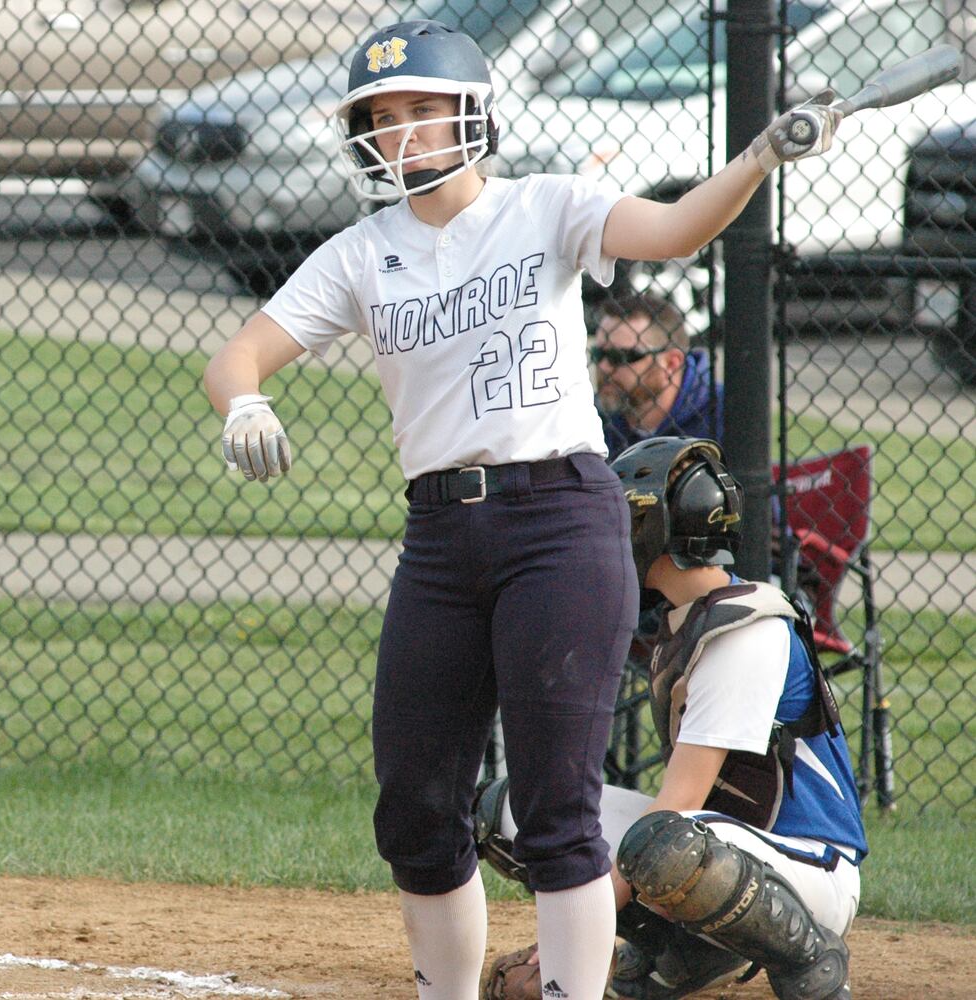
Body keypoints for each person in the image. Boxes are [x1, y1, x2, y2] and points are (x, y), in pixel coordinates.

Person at [204, 16, 842, 1000]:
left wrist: (759, 156)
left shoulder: (542, 207)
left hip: (561, 516)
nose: (404, 133)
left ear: (473, 117)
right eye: (383, 117)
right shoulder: (362, 253)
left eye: (424, 110)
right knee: (417, 805)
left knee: (557, 807)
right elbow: (238, 352)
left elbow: (674, 232)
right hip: (442, 532)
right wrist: (244, 399)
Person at [476, 437, 867, 1000]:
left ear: (654, 531)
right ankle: (688, 951)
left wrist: (569, 937)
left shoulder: (745, 633)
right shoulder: (689, 621)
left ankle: (811, 964)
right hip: (724, 848)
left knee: (658, 843)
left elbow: (678, 805)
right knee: (515, 812)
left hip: (809, 872)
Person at [592, 291, 724, 461]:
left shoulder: (723, 414)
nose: (604, 367)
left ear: (671, 363)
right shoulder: (588, 418)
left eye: (620, 357)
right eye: (598, 354)